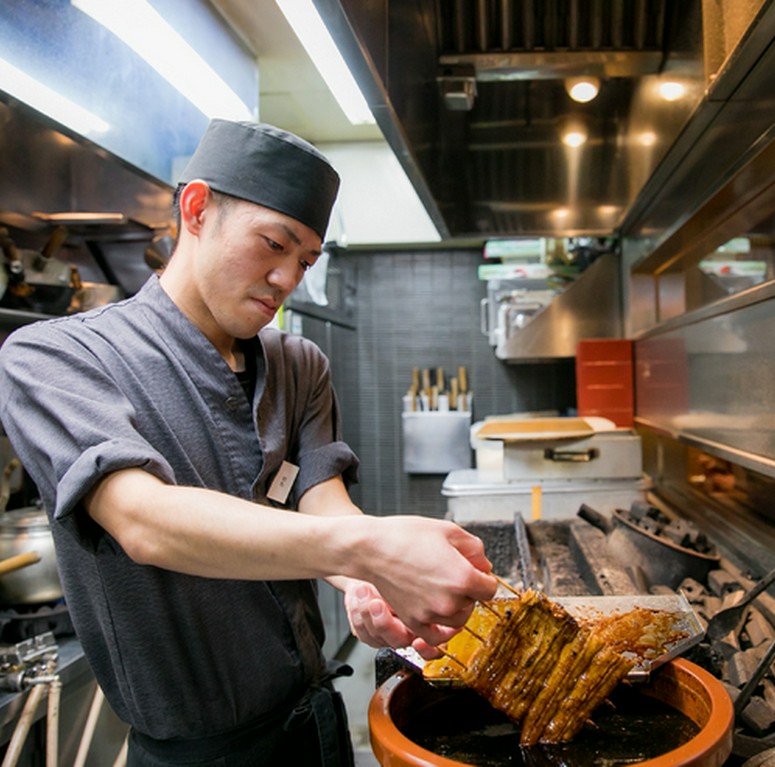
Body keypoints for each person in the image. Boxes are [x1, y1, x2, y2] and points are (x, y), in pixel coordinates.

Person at [0, 119, 497, 766]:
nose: (287, 277)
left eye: (306, 260)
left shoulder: (300, 365)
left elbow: (323, 500)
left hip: (315, 725)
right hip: (197, 753)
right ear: (197, 208)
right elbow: (145, 519)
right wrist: (374, 548)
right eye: (274, 244)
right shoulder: (57, 358)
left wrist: (364, 583)